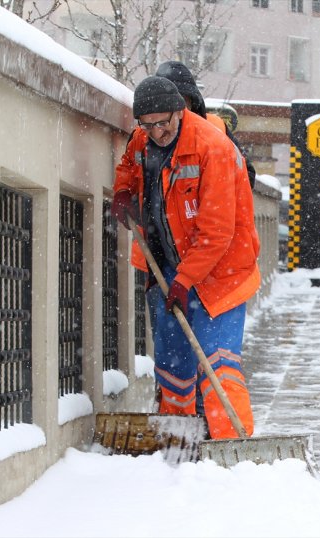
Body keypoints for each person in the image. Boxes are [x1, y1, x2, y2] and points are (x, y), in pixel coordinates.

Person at [110, 75, 260, 439]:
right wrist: (123, 191)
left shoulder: (214, 149)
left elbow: (217, 233)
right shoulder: (143, 140)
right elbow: (129, 164)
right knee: (173, 367)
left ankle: (233, 448)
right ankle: (176, 443)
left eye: (164, 123)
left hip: (220, 274)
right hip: (167, 270)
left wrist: (184, 279)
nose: (158, 132)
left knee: (218, 365)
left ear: (181, 111)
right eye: (149, 125)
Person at [156, 60, 256, 189]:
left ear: (193, 102)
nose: (177, 109)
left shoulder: (216, 128)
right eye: (169, 102)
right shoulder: (144, 134)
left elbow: (247, 176)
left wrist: (212, 185)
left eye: (182, 101)